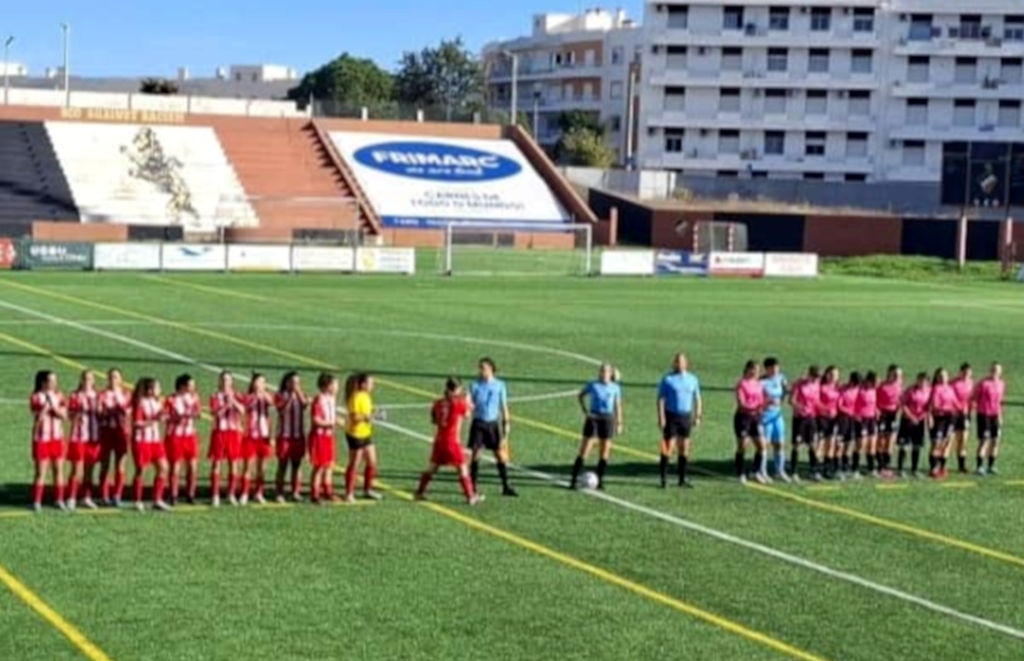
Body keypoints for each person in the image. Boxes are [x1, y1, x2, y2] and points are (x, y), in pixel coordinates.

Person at [414, 377, 484, 505]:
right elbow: (468, 414)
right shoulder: (458, 403)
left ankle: (419, 492)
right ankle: (470, 496)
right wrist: (468, 401)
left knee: (432, 468)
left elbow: (434, 420)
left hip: (439, 440)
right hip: (452, 441)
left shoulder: (438, 403)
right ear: (456, 389)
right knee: (462, 468)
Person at [468, 358, 517, 497]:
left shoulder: (500, 385)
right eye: (480, 368)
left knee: (500, 455)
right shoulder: (475, 385)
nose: (480, 371)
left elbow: (504, 406)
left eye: (483, 368)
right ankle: (473, 487)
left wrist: (506, 424)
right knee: (475, 455)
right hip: (478, 424)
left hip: (492, 424)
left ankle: (506, 485)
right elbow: (469, 404)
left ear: (490, 369)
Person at [569, 364, 623, 490]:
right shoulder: (593, 385)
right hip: (593, 418)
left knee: (605, 451)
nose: (603, 374)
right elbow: (581, 395)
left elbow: (618, 405)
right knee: (585, 449)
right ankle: (573, 480)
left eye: (606, 372)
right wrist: (585, 410)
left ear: (610, 374)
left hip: (608, 419)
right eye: (602, 371)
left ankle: (600, 480)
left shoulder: (615, 388)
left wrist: (619, 422)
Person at [657, 353, 703, 488]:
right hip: (671, 416)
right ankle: (664, 478)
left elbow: (697, 398)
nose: (678, 364)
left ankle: (682, 479)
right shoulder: (668, 379)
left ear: (686, 363)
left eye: (681, 361)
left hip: (685, 416)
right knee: (668, 447)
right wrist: (661, 417)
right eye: (676, 361)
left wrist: (698, 415)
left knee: (684, 448)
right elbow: (661, 399)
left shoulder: (693, 379)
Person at [130, 377, 170, 512]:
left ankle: (157, 499)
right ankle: (137, 500)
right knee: (141, 470)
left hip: (155, 440)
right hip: (142, 441)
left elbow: (161, 417)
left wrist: (164, 416)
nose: (160, 390)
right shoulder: (140, 403)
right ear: (150, 390)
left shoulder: (157, 402)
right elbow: (137, 423)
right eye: (157, 387)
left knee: (163, 467)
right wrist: (155, 420)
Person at [29, 370, 68, 512]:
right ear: (43, 382)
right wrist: (46, 407)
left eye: (55, 380)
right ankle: (37, 501)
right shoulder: (36, 397)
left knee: (58, 470)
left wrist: (55, 409)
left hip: (57, 438)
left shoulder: (59, 395)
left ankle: (59, 499)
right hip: (41, 438)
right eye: (51, 380)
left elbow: (64, 416)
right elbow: (37, 417)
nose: (54, 383)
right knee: (41, 472)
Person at [343, 372, 382, 503]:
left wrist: (375, 415)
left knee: (372, 461)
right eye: (371, 383)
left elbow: (366, 414)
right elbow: (355, 417)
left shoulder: (366, 396)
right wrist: (369, 417)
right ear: (363, 384)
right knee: (355, 463)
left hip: (366, 433)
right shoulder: (356, 398)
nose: (373, 385)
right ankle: (349, 493)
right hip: (356, 434)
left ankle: (367, 489)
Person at [209, 371, 245, 507]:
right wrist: (225, 406)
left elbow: (242, 410)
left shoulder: (237, 395)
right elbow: (215, 413)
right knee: (216, 463)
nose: (225, 383)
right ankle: (215, 495)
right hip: (219, 432)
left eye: (228, 380)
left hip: (233, 432)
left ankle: (231, 494)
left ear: (232, 382)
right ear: (219, 382)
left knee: (233, 463)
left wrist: (233, 401)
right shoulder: (215, 396)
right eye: (223, 380)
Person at [66, 370, 101, 511]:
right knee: (76, 469)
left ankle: (86, 497)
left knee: (89, 469)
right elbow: (69, 415)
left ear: (94, 381)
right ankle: (71, 497)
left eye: (90, 379)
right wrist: (78, 413)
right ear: (81, 380)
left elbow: (102, 414)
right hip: (79, 436)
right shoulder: (75, 396)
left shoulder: (98, 396)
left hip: (94, 436)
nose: (87, 381)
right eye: (85, 378)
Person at [97, 368, 132, 507]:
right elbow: (99, 413)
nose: (113, 379)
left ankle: (117, 495)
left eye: (116, 377)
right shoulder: (102, 394)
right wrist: (105, 412)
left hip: (121, 432)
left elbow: (128, 411)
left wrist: (119, 408)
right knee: (105, 465)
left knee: (120, 465)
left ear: (121, 379)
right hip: (106, 432)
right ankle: (104, 496)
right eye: (111, 377)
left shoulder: (126, 394)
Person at [164, 374, 200, 505]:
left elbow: (198, 413)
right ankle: (173, 494)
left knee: (192, 466)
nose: (193, 387)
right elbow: (165, 416)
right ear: (182, 386)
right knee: (175, 466)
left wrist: (193, 414)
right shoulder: (171, 399)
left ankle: (191, 494)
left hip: (190, 435)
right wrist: (175, 418)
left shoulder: (194, 397)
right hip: (175, 436)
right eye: (191, 385)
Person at [274, 371, 308, 503]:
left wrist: (298, 394)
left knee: (297, 464)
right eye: (293, 382)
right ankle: (279, 492)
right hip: (285, 435)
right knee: (282, 464)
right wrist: (290, 398)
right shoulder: (280, 395)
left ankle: (295, 491)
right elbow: (281, 410)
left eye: (298, 382)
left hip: (298, 435)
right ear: (287, 383)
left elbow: (305, 405)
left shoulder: (301, 395)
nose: (296, 385)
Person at [241, 374, 275, 505]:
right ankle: (245, 493)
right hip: (251, 435)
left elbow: (272, 405)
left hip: (264, 435)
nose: (260, 384)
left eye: (263, 382)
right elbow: (246, 406)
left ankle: (259, 493)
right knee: (248, 466)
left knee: (262, 467)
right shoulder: (249, 397)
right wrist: (256, 396)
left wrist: (264, 394)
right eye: (258, 382)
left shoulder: (267, 396)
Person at [309, 372, 340, 504]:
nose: (337, 387)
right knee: (319, 466)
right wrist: (332, 423)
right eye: (335, 384)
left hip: (329, 436)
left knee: (329, 465)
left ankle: (328, 491)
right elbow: (316, 420)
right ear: (328, 386)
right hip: (319, 436)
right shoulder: (319, 399)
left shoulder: (332, 399)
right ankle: (315, 494)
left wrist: (336, 421)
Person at [733, 360, 765, 484]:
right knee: (743, 445)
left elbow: (761, 400)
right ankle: (740, 472)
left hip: (756, 418)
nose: (757, 372)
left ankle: (755, 471)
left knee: (761, 445)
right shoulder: (741, 384)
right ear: (748, 369)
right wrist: (755, 407)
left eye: (758, 370)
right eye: (755, 370)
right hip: (743, 418)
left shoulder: (758, 384)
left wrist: (762, 406)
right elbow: (742, 404)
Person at [789, 365, 821, 482]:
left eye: (817, 377)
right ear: (809, 374)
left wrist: (823, 408)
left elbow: (816, 401)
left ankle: (814, 471)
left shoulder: (816, 385)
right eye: (814, 377)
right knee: (797, 445)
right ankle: (794, 472)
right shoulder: (800, 384)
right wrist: (799, 407)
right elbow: (791, 400)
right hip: (800, 419)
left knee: (813, 444)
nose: (815, 379)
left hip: (811, 418)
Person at [759, 357, 789, 482]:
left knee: (780, 443)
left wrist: (781, 401)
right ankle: (762, 471)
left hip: (777, 416)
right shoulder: (761, 382)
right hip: (765, 417)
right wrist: (766, 403)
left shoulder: (781, 378)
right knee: (764, 445)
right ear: (767, 369)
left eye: (777, 368)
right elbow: (756, 399)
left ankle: (780, 471)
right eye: (772, 368)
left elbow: (785, 390)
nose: (775, 370)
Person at [896, 372, 931, 478]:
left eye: (924, 381)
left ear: (927, 382)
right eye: (920, 380)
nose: (921, 382)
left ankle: (914, 469)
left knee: (917, 446)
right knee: (904, 446)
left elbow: (928, 407)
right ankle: (900, 469)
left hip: (920, 422)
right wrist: (911, 417)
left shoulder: (929, 391)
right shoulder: (910, 390)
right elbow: (903, 404)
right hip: (907, 421)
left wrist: (920, 417)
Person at [974, 363, 1005, 476]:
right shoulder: (983, 383)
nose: (995, 372)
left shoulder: (1001, 384)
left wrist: (1000, 416)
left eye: (997, 370)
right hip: (984, 415)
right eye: (993, 370)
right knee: (985, 440)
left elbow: (1000, 401)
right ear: (990, 370)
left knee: (996, 440)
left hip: (995, 415)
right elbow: (975, 397)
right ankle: (979, 466)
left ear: (1000, 372)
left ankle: (991, 466)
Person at [928, 368, 957, 479]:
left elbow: (955, 402)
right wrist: (948, 409)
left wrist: (962, 407)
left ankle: (942, 467)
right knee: (936, 443)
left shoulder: (950, 388)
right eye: (940, 376)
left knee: (946, 443)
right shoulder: (935, 389)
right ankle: (934, 467)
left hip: (950, 419)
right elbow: (935, 405)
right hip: (939, 418)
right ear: (937, 378)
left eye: (945, 375)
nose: (943, 378)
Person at [875, 365, 903, 477]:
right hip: (883, 414)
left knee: (891, 440)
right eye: (895, 374)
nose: (897, 376)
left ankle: (887, 465)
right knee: (881, 440)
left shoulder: (899, 385)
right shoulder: (881, 386)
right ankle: (880, 465)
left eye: (899, 375)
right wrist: (877, 410)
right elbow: (874, 399)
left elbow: (900, 400)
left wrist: (899, 409)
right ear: (889, 373)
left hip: (894, 415)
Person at [817, 366, 841, 480]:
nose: (833, 377)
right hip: (822, 418)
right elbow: (816, 401)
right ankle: (817, 468)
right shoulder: (821, 387)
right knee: (821, 443)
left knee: (831, 443)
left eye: (836, 375)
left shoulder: (838, 388)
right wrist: (825, 409)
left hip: (834, 418)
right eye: (831, 374)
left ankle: (827, 468)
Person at [836, 372, 861, 480]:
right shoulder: (843, 390)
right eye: (854, 384)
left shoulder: (858, 389)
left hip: (853, 419)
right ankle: (838, 468)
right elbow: (839, 405)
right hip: (843, 419)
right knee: (840, 444)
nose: (855, 386)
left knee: (849, 443)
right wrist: (851, 413)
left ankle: (846, 467)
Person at [950, 363, 974, 474]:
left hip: (965, 414)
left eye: (968, 373)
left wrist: (971, 407)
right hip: (954, 414)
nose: (966, 375)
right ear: (960, 372)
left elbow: (971, 398)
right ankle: (940, 464)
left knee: (963, 439)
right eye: (964, 372)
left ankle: (962, 465)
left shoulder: (971, 383)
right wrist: (957, 407)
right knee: (950, 440)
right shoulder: (953, 383)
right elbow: (949, 397)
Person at [856, 371, 880, 477]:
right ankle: (854, 469)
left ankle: (871, 469)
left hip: (872, 419)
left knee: (872, 444)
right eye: (876, 382)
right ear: (870, 381)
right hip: (862, 420)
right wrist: (856, 414)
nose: (877, 384)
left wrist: (876, 410)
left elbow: (873, 403)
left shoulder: (873, 390)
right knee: (861, 444)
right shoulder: (860, 390)